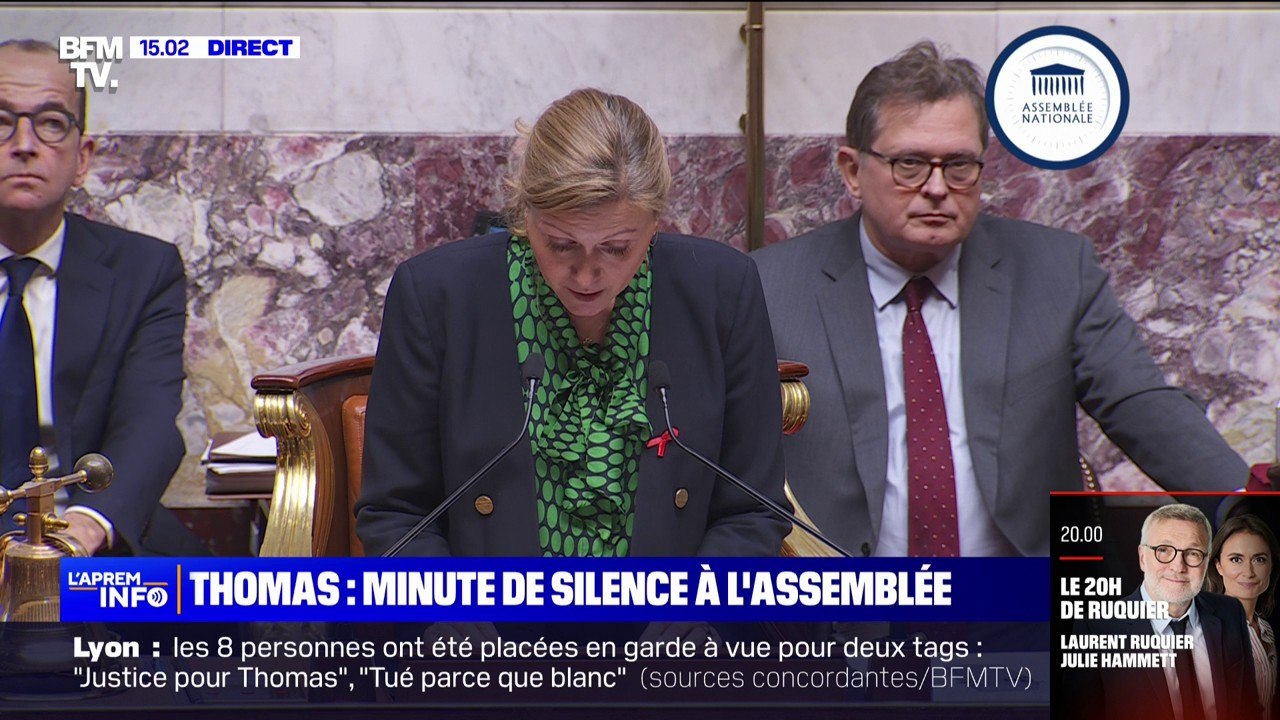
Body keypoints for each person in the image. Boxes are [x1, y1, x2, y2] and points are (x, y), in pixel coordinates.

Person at [750, 40, 1248, 557]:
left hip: (1020, 609)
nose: (937, 188)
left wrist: (1249, 517)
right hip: (841, 610)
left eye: (960, 165)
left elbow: (1143, 407)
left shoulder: (1056, 272)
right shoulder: (770, 287)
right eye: (911, 164)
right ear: (853, 170)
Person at [355, 88, 788, 560]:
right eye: (561, 244)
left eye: (617, 247)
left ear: (655, 222)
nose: (585, 275)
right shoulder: (438, 296)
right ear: (524, 212)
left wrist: (689, 625)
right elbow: (397, 515)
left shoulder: (722, 291)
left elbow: (753, 511)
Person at [0, 39, 199, 556]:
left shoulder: (144, 270)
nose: (24, 143)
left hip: (92, 539)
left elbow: (149, 422)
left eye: (50, 122)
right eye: (1, 120)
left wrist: (83, 533)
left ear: (82, 157)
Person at [1064, 504, 1262, 720]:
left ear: (1206, 563)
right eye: (1164, 551)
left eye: (1193, 553)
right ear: (1142, 557)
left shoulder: (1230, 612)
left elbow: (1249, 706)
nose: (1178, 566)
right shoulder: (1097, 627)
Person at [1206, 514, 1278, 719]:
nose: (1248, 572)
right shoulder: (1203, 631)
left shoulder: (1266, 630)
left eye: (1259, 559)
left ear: (1271, 566)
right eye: (1236, 559)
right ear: (1219, 566)